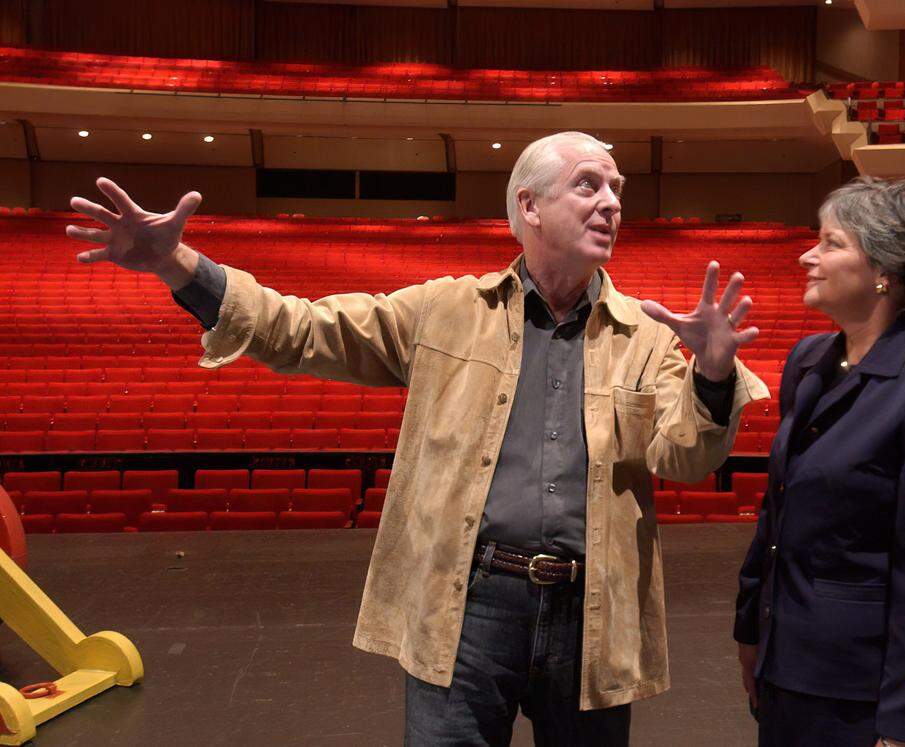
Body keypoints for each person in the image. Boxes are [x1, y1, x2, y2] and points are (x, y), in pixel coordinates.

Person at [65, 131, 769, 745]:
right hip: (465, 607)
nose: (612, 203)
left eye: (617, 190)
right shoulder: (444, 310)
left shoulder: (646, 337)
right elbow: (299, 330)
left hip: (591, 616)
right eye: (589, 185)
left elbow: (684, 456)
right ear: (529, 206)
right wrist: (178, 264)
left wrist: (711, 374)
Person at [734, 176, 905, 747]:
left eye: (831, 243)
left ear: (887, 269)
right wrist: (751, 630)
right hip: (791, 673)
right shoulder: (811, 361)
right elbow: (777, 512)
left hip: (875, 697)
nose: (808, 256)